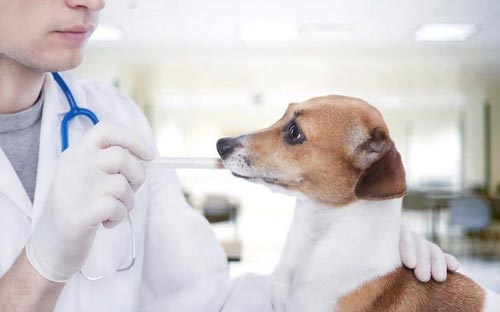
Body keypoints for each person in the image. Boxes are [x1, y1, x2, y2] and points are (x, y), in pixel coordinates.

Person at [0, 1, 459, 311]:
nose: (93, 1)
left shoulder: (115, 118)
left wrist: (358, 263)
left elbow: (212, 298)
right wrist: (40, 266)